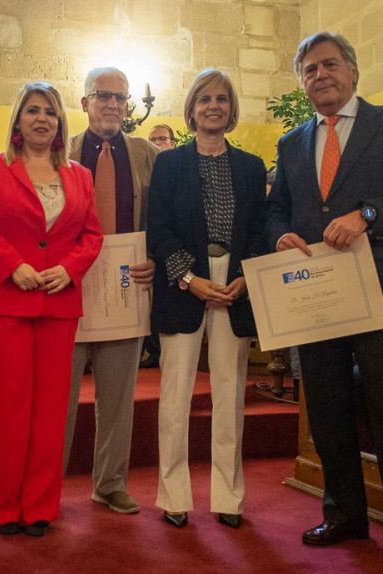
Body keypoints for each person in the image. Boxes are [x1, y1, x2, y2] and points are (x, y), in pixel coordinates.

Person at [266, 32, 383, 572]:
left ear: (352, 71)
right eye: (309, 69)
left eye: (329, 64)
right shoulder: (291, 143)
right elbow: (276, 209)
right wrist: (279, 236)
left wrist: (367, 215)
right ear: (301, 83)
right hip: (313, 293)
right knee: (326, 413)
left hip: (377, 292)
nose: (320, 75)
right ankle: (344, 512)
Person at [0, 81, 103, 537]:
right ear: (18, 121)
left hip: (58, 304)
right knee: (7, 409)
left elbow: (92, 235)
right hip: (6, 302)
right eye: (33, 110)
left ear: (60, 122)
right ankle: (6, 506)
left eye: (50, 111)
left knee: (51, 410)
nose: (42, 118)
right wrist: (13, 266)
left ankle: (41, 506)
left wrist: (70, 268)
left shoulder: (80, 176)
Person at [148, 68, 266, 530]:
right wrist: (190, 278)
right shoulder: (169, 164)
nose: (213, 106)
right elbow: (158, 229)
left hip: (234, 286)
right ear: (192, 110)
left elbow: (259, 231)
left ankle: (229, 497)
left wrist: (245, 276)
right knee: (175, 397)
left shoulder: (251, 167)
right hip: (184, 285)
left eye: (221, 99)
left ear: (231, 109)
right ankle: (174, 496)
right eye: (205, 99)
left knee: (230, 396)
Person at [64, 67, 158, 515]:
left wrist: (155, 258)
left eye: (121, 98)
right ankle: (48, 484)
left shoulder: (146, 155)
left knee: (118, 398)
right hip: (68, 290)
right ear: (85, 103)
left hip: (124, 288)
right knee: (58, 399)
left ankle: (110, 483)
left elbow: (162, 217)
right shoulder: (61, 151)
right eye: (104, 96)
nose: (114, 105)